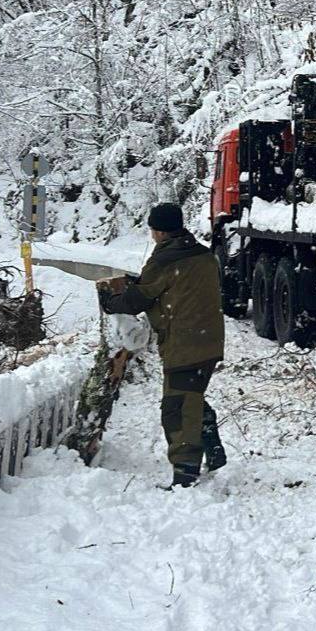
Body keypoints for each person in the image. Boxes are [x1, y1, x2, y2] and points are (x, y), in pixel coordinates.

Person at [98, 202, 226, 487]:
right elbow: (178, 287)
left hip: (185, 344)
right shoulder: (203, 255)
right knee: (191, 395)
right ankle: (213, 449)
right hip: (209, 341)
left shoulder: (164, 260)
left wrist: (111, 303)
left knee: (177, 409)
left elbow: (139, 299)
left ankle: (185, 475)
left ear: (158, 231)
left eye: (153, 230)